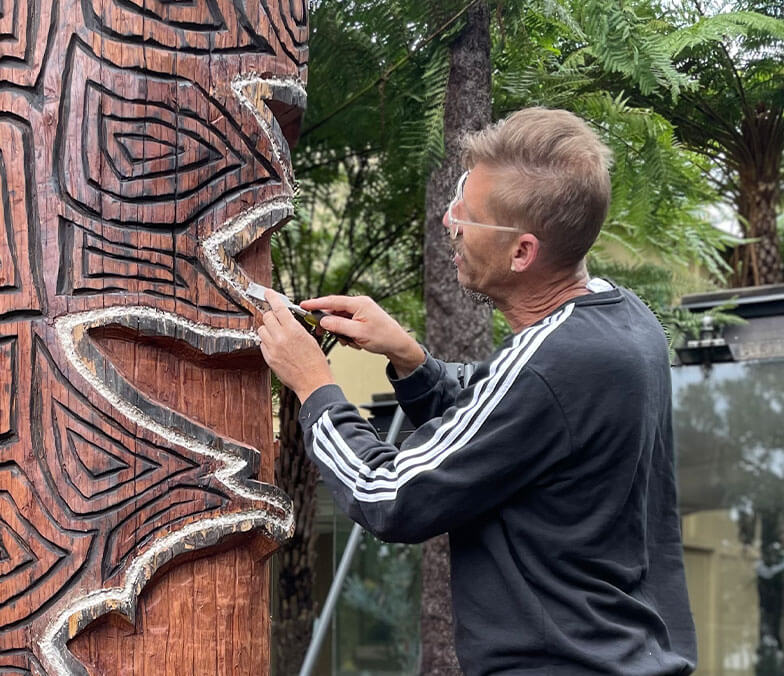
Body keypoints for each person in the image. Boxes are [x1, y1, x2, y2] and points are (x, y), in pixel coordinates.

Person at [257, 107, 697, 675]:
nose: (450, 220)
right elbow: (510, 422)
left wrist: (313, 384)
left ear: (522, 252)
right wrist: (409, 357)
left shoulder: (553, 362)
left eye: (470, 214)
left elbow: (388, 494)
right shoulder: (625, 323)